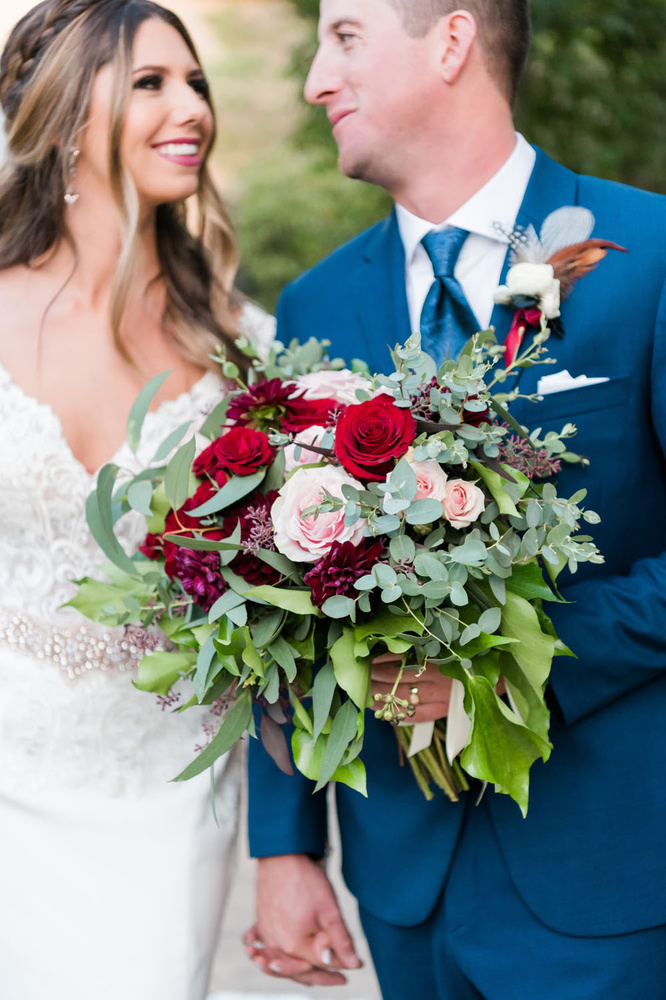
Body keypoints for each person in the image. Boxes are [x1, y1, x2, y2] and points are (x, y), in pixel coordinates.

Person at [245, 1, 666, 997]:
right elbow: (272, 589)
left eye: (343, 38)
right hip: (404, 882)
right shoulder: (313, 306)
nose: (316, 81)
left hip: (609, 878)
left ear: (451, 40)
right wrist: (285, 842)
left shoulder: (643, 255)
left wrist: (510, 664)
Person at [0, 2, 273, 998]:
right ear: (70, 118)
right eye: (152, 82)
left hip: (163, 794)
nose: (190, 105)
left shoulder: (248, 351)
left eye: (195, 81)